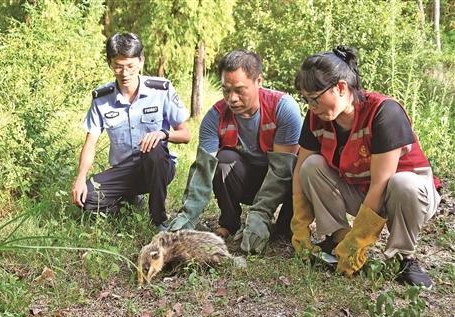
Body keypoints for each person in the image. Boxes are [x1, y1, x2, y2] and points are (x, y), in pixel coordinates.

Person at [290, 45, 441, 288]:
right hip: (360, 186)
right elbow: (300, 169)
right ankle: (337, 239)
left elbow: (381, 185)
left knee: (403, 184)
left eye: (315, 98)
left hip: (407, 192)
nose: (310, 106)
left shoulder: (384, 112)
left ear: (340, 87)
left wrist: (358, 240)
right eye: (305, 99)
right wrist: (299, 222)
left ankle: (403, 258)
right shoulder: (316, 117)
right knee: (311, 165)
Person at [168, 50, 302, 254]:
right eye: (226, 90)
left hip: (280, 181)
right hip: (245, 180)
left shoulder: (283, 108)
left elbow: (282, 172)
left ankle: (283, 227)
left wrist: (260, 214)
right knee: (223, 160)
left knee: (303, 165)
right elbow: (203, 172)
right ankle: (230, 222)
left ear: (259, 81)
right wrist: (187, 217)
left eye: (240, 90)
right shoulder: (215, 117)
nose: (232, 98)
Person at [71, 32, 191, 231]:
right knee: (88, 198)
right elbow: (90, 143)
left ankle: (158, 219)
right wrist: (81, 178)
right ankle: (129, 202)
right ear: (110, 63)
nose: (124, 73)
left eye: (130, 66)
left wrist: (163, 134)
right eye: (118, 66)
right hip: (124, 170)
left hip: (158, 166)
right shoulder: (101, 98)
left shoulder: (161, 90)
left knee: (153, 151)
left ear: (141, 61)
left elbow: (186, 135)